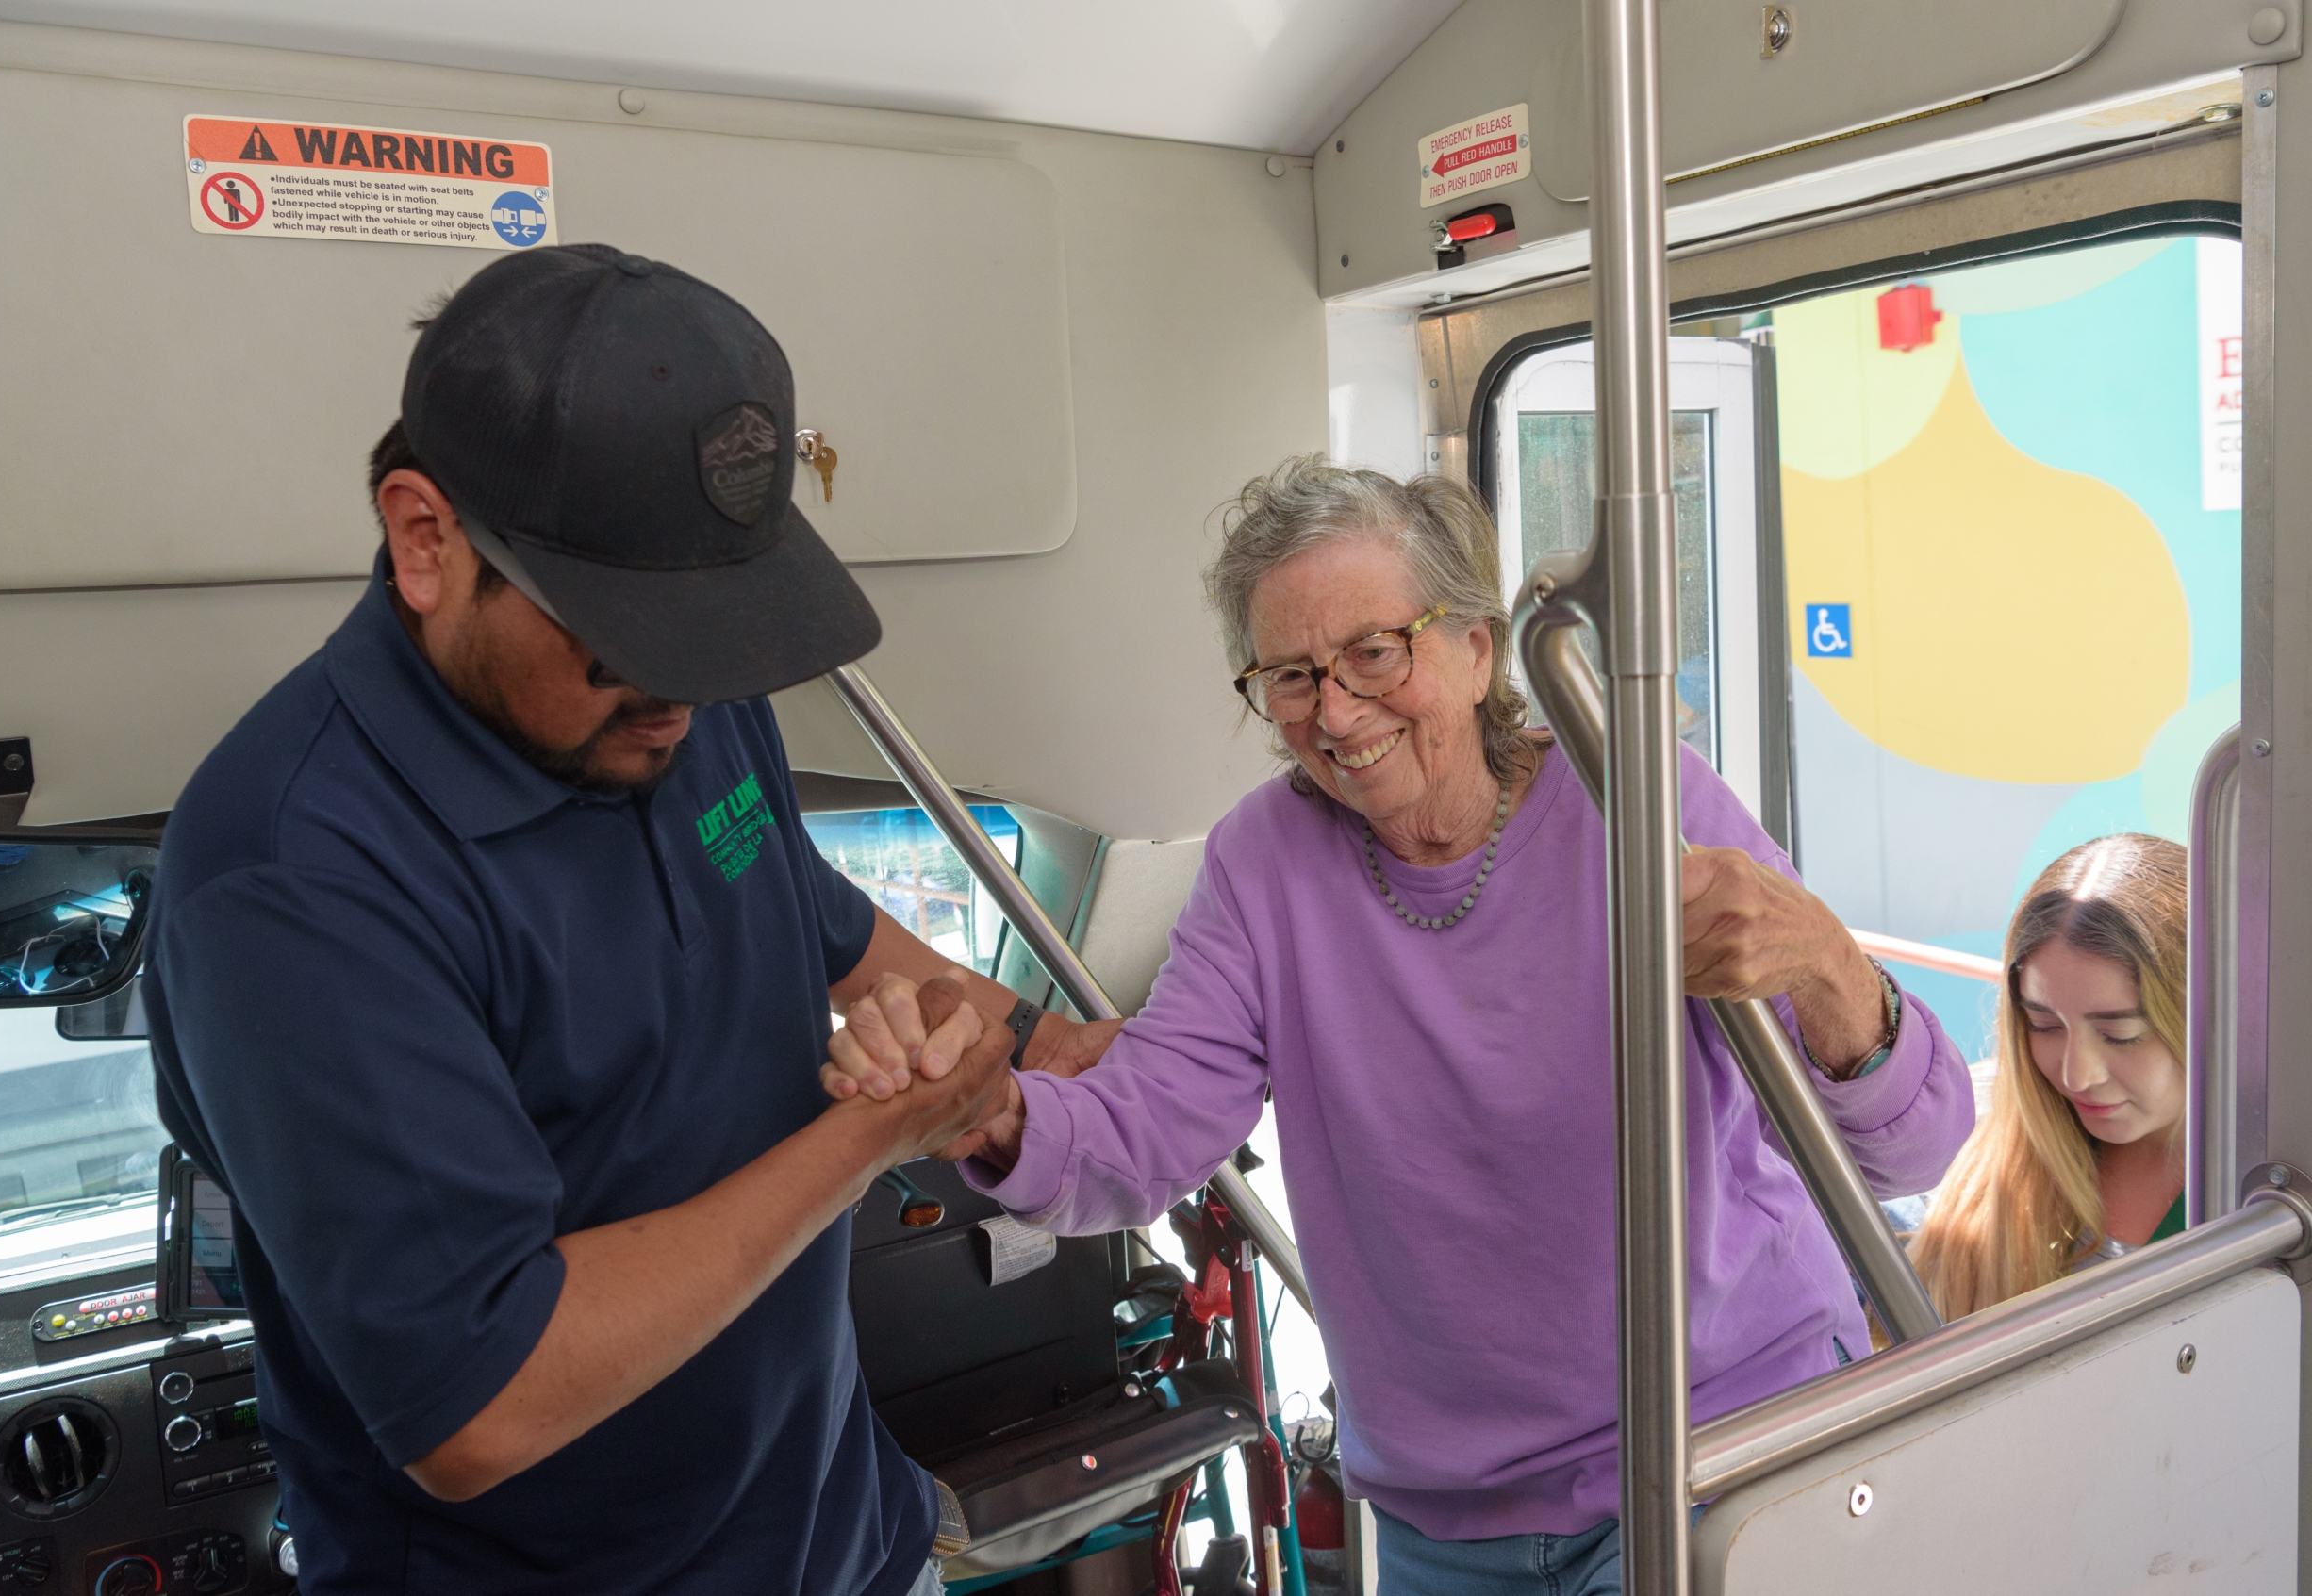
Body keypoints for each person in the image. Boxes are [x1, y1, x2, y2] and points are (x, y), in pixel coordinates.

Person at [823, 459, 1974, 1596]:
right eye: (1288, 674)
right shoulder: (1263, 862)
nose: (1333, 709)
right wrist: (997, 1113)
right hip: (1450, 1522)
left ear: (1477, 649)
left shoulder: (1634, 802)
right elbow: (1148, 1123)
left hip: (1715, 1450)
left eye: (1374, 651)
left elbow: (1908, 1149)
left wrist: (1825, 962)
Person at [144, 243, 1108, 1594]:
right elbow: (481, 1403)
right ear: (428, 541)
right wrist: (871, 1137)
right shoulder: (292, 881)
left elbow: (800, 909)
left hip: (850, 1541)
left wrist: (1040, 1041)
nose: (685, 703)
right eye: (630, 644)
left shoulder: (675, 703)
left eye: (715, 643)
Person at [1909, 834, 2189, 1320]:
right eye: (2044, 1025)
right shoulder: (1964, 1129)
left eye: (2121, 1034)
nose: (2077, 1075)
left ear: (2206, 1015)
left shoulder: (2275, 1179)